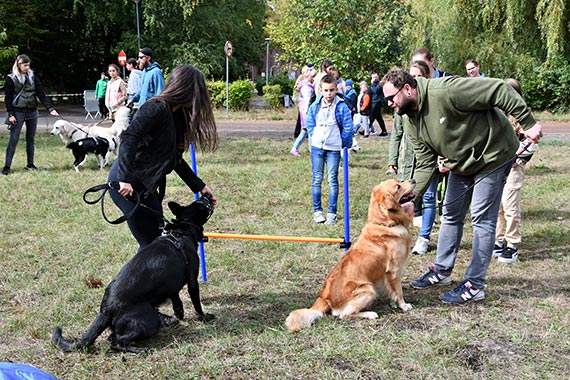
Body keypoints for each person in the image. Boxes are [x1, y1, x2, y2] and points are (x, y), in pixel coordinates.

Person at [381, 68, 542, 304]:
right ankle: (442, 270)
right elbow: (425, 164)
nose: (389, 104)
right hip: (461, 162)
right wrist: (409, 201)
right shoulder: (409, 119)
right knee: (451, 213)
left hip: (493, 154)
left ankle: (475, 284)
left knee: (481, 217)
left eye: (391, 98)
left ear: (407, 89)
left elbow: (498, 88)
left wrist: (528, 122)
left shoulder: (446, 91)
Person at [108, 64, 218, 251]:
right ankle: (139, 280)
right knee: (151, 244)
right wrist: (124, 180)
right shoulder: (156, 108)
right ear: (185, 88)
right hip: (127, 185)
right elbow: (128, 138)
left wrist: (199, 186)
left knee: (157, 241)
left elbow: (173, 159)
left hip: (145, 187)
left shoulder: (176, 116)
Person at [387, 60, 439, 255]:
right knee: (406, 200)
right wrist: (393, 159)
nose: (414, 79)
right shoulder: (400, 107)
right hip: (407, 162)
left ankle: (424, 237)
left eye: (418, 76)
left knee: (429, 198)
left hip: (429, 161)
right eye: (411, 75)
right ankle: (402, 237)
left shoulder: (432, 104)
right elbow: (397, 135)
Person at [493, 78, 537, 264]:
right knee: (498, 207)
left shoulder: (522, 117)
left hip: (513, 167)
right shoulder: (495, 114)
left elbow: (531, 143)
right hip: (496, 167)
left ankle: (512, 244)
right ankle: (497, 240)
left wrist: (518, 159)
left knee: (510, 205)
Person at [305, 74, 353, 225]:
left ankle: (332, 212)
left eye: (332, 90)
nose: (329, 94)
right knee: (317, 179)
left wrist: (343, 143)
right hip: (317, 147)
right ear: (321, 90)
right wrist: (315, 137)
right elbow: (310, 123)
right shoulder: (315, 106)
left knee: (332, 179)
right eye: (326, 90)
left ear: (336, 89)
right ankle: (317, 211)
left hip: (333, 148)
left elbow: (348, 127)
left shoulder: (342, 106)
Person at [2, 54, 59, 175]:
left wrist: (50, 108)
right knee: (13, 139)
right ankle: (7, 166)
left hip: (32, 111)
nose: (27, 67)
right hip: (17, 112)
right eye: (25, 65)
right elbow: (8, 99)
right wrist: (11, 114)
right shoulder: (11, 79)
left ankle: (30, 164)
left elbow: (40, 94)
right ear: (18, 65)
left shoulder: (33, 77)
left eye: (28, 65)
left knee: (30, 139)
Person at [290, 64, 317, 156]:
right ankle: (311, 150)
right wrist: (308, 113)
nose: (314, 79)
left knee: (305, 131)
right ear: (308, 76)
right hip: (306, 112)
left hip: (305, 111)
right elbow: (307, 101)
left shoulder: (306, 86)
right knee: (309, 131)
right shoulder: (307, 88)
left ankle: (295, 148)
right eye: (313, 77)